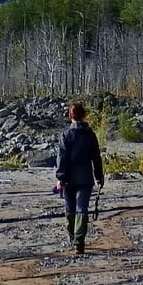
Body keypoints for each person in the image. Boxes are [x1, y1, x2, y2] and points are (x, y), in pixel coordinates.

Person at [54, 102, 105, 254]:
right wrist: (99, 177)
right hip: (85, 177)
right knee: (82, 208)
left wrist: (60, 178)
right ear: (84, 115)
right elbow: (96, 158)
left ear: (70, 116)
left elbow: (62, 157)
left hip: (69, 178)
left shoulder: (66, 135)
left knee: (70, 208)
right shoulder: (90, 135)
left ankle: (73, 237)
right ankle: (79, 242)